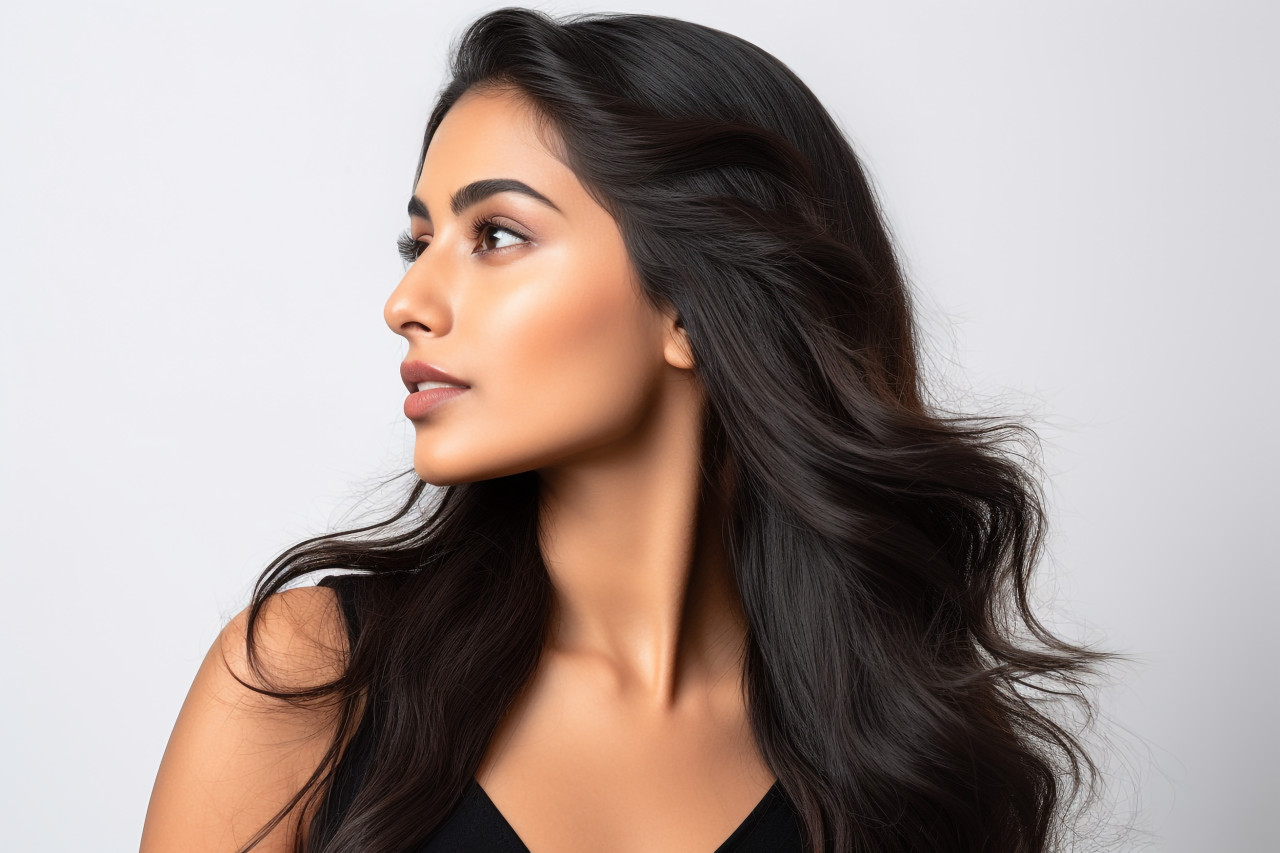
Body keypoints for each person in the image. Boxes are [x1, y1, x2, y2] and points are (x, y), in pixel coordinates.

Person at [140, 7, 1111, 853]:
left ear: (690, 307)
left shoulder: (908, 760)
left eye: (497, 236)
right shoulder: (307, 679)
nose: (406, 300)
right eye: (419, 241)